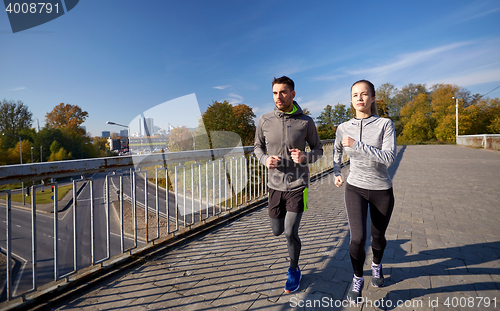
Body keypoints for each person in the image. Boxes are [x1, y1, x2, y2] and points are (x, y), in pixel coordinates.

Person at [254, 76, 323, 293]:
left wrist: (305, 157)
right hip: (274, 186)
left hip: (297, 185)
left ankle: (294, 269)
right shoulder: (264, 120)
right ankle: (287, 239)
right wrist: (266, 160)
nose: (278, 97)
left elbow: (318, 150)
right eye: (275, 93)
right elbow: (257, 147)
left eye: (283, 92)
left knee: (289, 232)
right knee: (277, 230)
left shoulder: (306, 121)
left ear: (292, 94)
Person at [333, 80, 396, 302]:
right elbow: (337, 150)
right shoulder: (343, 128)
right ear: (351, 100)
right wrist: (336, 171)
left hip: (381, 190)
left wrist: (357, 144)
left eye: (364, 94)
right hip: (355, 188)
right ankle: (358, 278)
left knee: (378, 237)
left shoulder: (385, 124)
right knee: (358, 238)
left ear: (373, 98)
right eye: (355, 95)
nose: (359, 98)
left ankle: (377, 266)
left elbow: (388, 158)